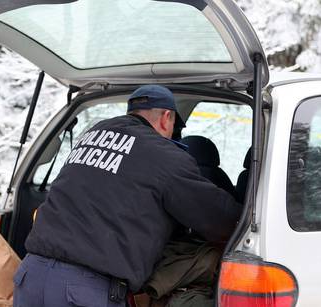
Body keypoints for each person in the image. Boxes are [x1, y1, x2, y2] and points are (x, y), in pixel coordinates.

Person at [12, 85, 242, 307]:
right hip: (83, 291)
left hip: (31, 276)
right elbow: (218, 218)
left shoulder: (94, 134)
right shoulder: (165, 156)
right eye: (173, 126)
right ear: (166, 117)